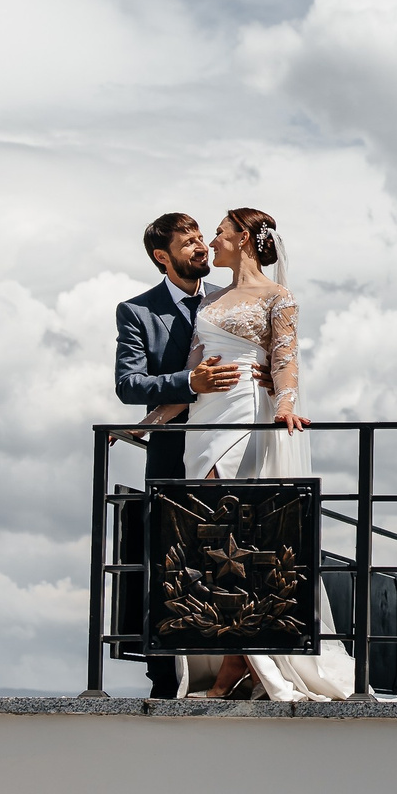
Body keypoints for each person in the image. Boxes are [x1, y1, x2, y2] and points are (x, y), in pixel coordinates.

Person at [176, 207, 355, 703]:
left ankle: (236, 665)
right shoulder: (210, 300)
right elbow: (194, 368)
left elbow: (285, 356)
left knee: (240, 536)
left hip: (246, 416)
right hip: (205, 420)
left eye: (220, 232)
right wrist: (144, 424)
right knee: (211, 540)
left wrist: (286, 406)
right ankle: (236, 658)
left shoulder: (278, 297)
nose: (212, 241)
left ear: (246, 239)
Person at [114, 212, 268, 699]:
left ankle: (242, 667)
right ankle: (165, 679)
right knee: (172, 564)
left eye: (203, 238)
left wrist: (261, 377)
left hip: (236, 446)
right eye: (188, 242)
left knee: (244, 556)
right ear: (163, 257)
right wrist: (187, 383)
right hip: (171, 458)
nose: (202, 248)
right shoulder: (137, 311)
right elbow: (128, 385)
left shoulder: (231, 299)